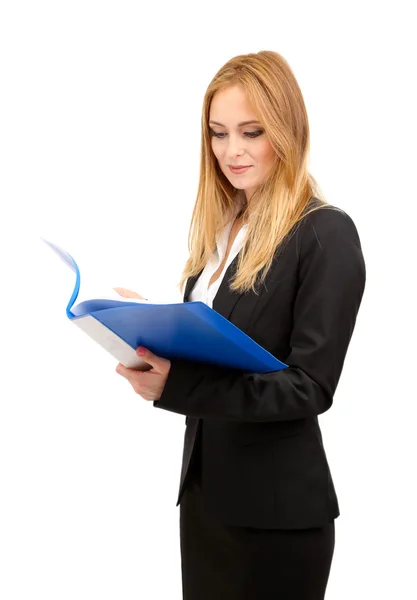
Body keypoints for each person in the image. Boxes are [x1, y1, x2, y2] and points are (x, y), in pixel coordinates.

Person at [115, 50, 366, 600]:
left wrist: (175, 385)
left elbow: (310, 386)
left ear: (287, 128)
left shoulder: (325, 235)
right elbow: (224, 347)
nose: (232, 151)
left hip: (276, 518)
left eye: (252, 132)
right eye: (218, 133)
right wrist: (150, 328)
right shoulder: (224, 230)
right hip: (206, 502)